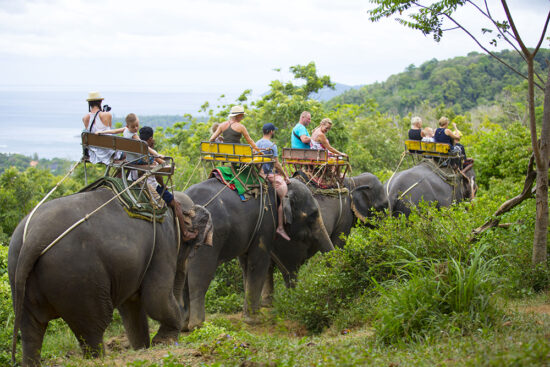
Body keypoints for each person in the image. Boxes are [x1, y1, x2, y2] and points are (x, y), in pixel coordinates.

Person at [139, 126, 198, 243]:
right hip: (150, 186)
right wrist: (163, 185)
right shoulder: (150, 156)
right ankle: (185, 233)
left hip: (135, 183)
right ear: (150, 139)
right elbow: (158, 174)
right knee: (177, 205)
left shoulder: (135, 150)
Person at [256, 123, 291, 241]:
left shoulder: (256, 143)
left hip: (257, 173)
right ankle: (281, 226)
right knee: (284, 194)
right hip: (268, 175)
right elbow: (276, 163)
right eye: (273, 131)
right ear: (271, 132)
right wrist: (285, 176)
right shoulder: (272, 145)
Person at [97, 113, 163, 163]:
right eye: (133, 127)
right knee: (154, 158)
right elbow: (146, 147)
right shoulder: (134, 136)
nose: (136, 128)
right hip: (136, 160)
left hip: (129, 159)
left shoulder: (125, 129)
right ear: (128, 126)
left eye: (137, 125)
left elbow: (114, 131)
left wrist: (102, 132)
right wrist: (157, 155)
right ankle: (167, 165)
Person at [82, 91, 119, 164]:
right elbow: (109, 129)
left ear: (89, 103)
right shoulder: (107, 114)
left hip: (94, 153)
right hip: (108, 152)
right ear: (100, 101)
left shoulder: (85, 118)